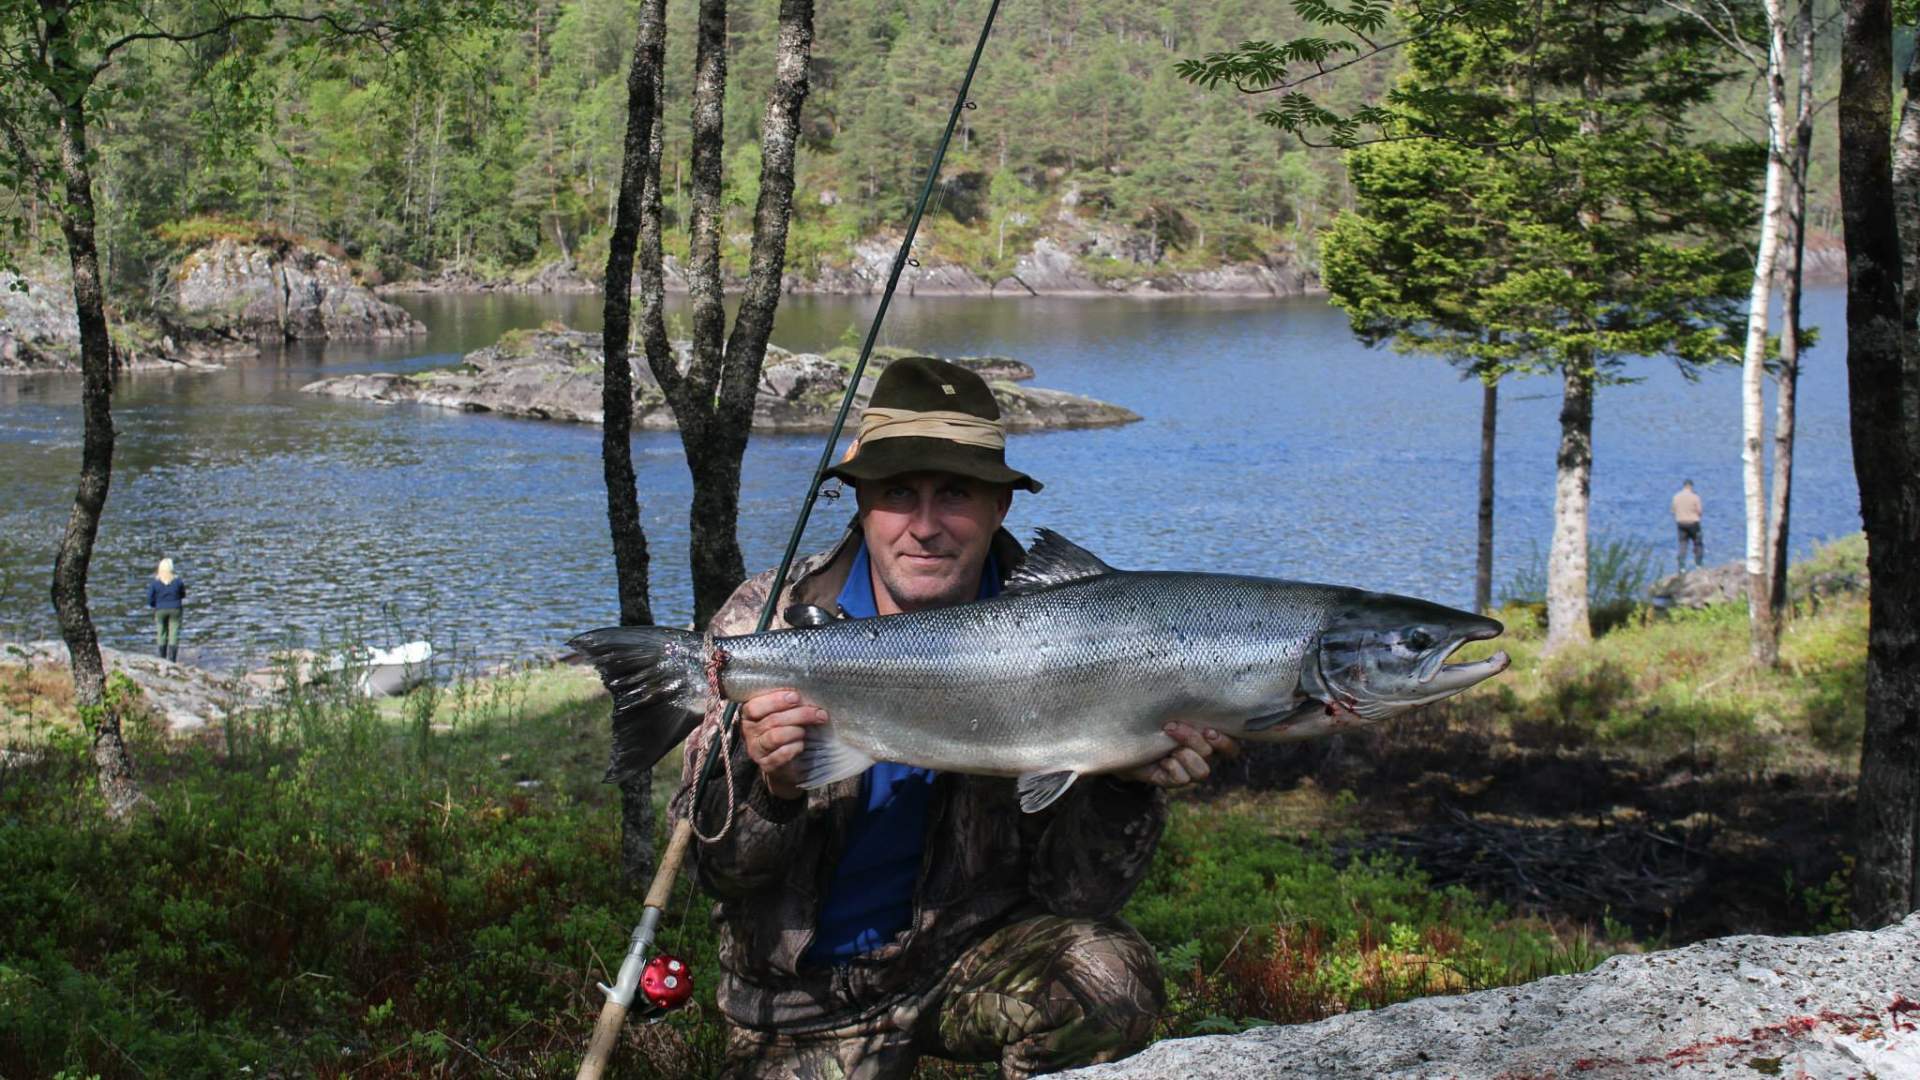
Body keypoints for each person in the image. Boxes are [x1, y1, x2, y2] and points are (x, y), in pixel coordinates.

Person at [672, 357, 1236, 1079]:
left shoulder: (1083, 632)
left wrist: (1127, 783)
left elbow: (1075, 897)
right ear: (862, 503)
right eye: (899, 492)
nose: (926, 526)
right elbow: (714, 870)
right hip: (798, 1000)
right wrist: (771, 788)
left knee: (1110, 980)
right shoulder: (767, 623)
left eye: (956, 494)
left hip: (967, 963)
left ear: (999, 506)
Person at [146, 557, 186, 662]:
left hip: (160, 610)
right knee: (174, 633)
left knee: (161, 633)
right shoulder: (178, 581)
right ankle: (172, 660)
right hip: (175, 609)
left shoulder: (155, 583)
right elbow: (183, 594)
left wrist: (155, 605)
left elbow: (150, 598)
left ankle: (162, 658)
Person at [1671, 480, 1704, 571]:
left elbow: (1673, 511)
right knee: (1698, 543)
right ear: (1691, 486)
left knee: (1683, 544)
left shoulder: (1676, 497)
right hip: (1693, 523)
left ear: (1684, 486)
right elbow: (1700, 511)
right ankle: (1698, 564)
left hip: (1681, 523)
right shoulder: (1695, 497)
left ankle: (1682, 567)